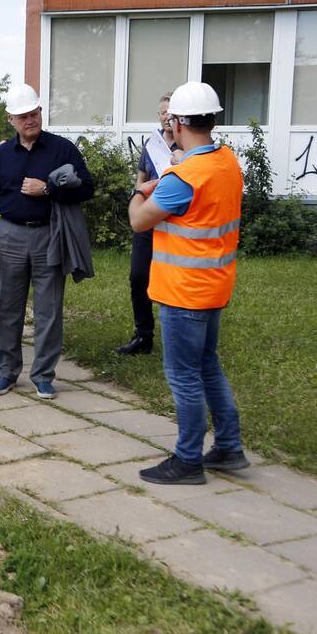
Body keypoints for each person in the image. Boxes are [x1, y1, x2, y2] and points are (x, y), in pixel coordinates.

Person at [129, 82, 249, 485]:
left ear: (178, 123)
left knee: (184, 375)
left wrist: (140, 189)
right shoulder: (227, 161)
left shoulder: (184, 176)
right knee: (208, 367)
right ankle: (229, 448)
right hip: (214, 285)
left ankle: (187, 460)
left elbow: (139, 220)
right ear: (212, 120)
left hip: (183, 292)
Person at [0, 83, 95, 400]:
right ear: (12, 120)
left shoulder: (62, 149)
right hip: (11, 235)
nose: (30, 120)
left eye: (34, 113)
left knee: (49, 309)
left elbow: (88, 188)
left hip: (49, 234)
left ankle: (43, 374)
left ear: (41, 112)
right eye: (23, 116)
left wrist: (48, 189)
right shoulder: (1, 156)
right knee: (6, 308)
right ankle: (5, 372)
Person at [115, 93, 181, 355]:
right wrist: (139, 198)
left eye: (171, 112)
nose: (167, 116)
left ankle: (176, 338)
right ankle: (143, 336)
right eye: (162, 112)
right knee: (138, 277)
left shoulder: (188, 149)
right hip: (149, 221)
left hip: (175, 225)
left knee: (172, 281)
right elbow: (140, 179)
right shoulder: (151, 145)